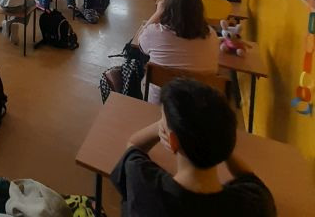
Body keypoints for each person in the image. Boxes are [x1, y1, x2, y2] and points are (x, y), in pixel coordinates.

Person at [111, 78, 276, 217]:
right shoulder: (255, 204)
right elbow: (249, 178)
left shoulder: (143, 185)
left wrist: (158, 128)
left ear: (173, 142)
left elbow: (133, 146)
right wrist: (220, 142)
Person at [138, 0, 219, 103]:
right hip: (199, 103)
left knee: (142, 66)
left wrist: (157, 13)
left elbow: (140, 42)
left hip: (160, 101)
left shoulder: (154, 32)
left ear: (167, 10)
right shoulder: (212, 34)